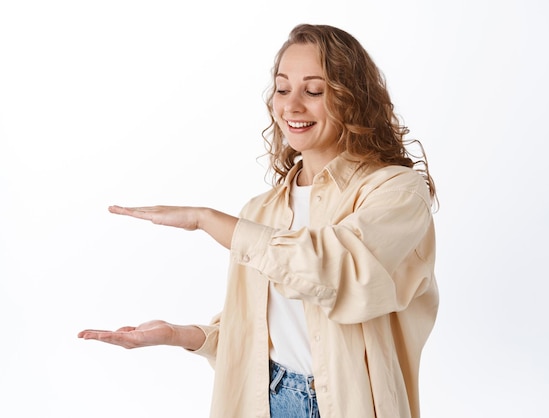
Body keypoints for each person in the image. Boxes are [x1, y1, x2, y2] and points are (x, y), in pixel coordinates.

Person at [78, 23, 439, 418]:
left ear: (352, 99)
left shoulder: (395, 191)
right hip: (268, 400)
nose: (292, 106)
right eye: (283, 88)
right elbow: (253, 333)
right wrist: (180, 335)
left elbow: (334, 270)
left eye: (314, 91)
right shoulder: (260, 212)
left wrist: (206, 220)